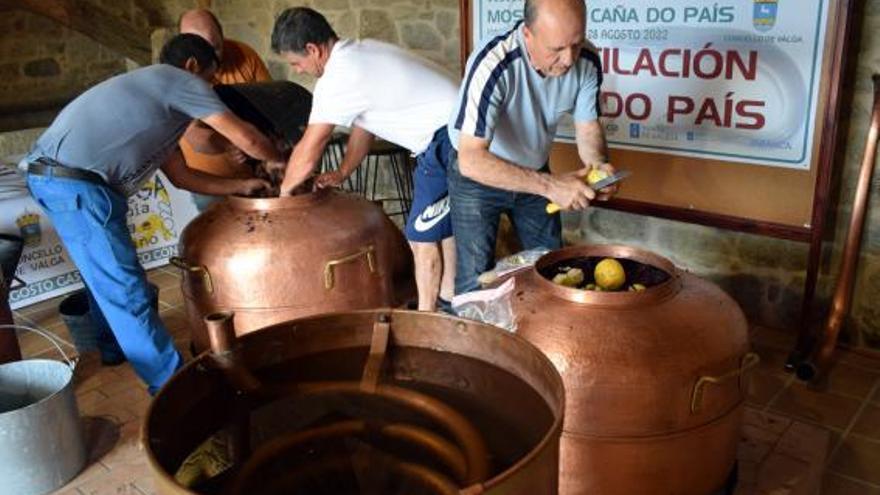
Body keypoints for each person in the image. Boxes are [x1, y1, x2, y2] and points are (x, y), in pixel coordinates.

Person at [22, 34, 284, 394]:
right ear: (193, 67)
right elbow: (251, 140)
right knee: (126, 290)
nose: (209, 90)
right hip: (75, 184)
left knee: (106, 279)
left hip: (61, 179)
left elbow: (182, 177)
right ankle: (175, 389)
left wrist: (238, 187)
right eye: (210, 79)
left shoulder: (156, 103)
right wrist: (284, 163)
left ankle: (113, 348)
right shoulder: (178, 81)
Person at [271, 7, 458, 312]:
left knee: (420, 237)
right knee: (441, 224)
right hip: (456, 131)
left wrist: (282, 198)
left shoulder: (338, 77)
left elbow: (311, 145)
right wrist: (344, 171)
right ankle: (451, 298)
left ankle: (427, 320)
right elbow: (365, 123)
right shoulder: (361, 52)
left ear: (312, 49)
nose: (298, 71)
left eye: (297, 63)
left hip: (445, 139)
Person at [448, 0, 617, 294]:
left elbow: (588, 126)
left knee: (553, 265)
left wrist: (598, 166)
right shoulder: (494, 62)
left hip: (534, 167)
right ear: (528, 35)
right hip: (478, 175)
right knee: (475, 277)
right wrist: (551, 187)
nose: (569, 59)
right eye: (557, 49)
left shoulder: (587, 59)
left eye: (576, 44)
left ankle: (544, 337)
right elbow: (471, 159)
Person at [178, 8, 274, 210]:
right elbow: (195, 138)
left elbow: (270, 109)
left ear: (222, 35)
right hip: (210, 183)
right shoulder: (179, 74)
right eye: (201, 49)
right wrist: (232, 144)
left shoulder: (245, 55)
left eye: (216, 47)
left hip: (254, 174)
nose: (211, 58)